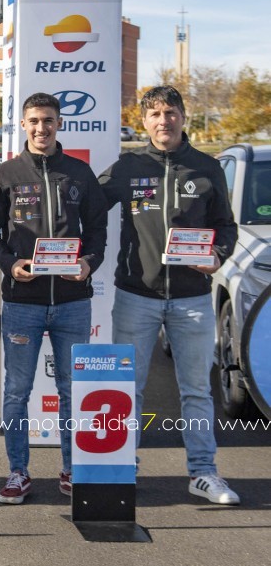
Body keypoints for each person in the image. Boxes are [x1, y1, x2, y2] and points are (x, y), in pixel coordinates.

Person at [98, 85, 240, 505]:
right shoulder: (128, 167)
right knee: (128, 390)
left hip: (193, 298)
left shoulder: (206, 167)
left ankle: (203, 473)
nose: (164, 121)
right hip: (135, 296)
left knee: (196, 389)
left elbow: (226, 227)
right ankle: (123, 468)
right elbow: (85, 207)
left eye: (171, 112)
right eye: (156, 114)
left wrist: (217, 256)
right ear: (144, 121)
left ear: (183, 116)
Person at [0, 92, 108, 504]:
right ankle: (18, 472)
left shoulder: (80, 174)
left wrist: (87, 263)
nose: (41, 128)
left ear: (59, 123)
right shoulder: (6, 173)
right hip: (22, 302)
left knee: (73, 390)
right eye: (33, 121)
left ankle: (71, 468)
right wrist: (10, 264)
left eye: (48, 120)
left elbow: (99, 233)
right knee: (17, 391)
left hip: (72, 300)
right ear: (23, 125)